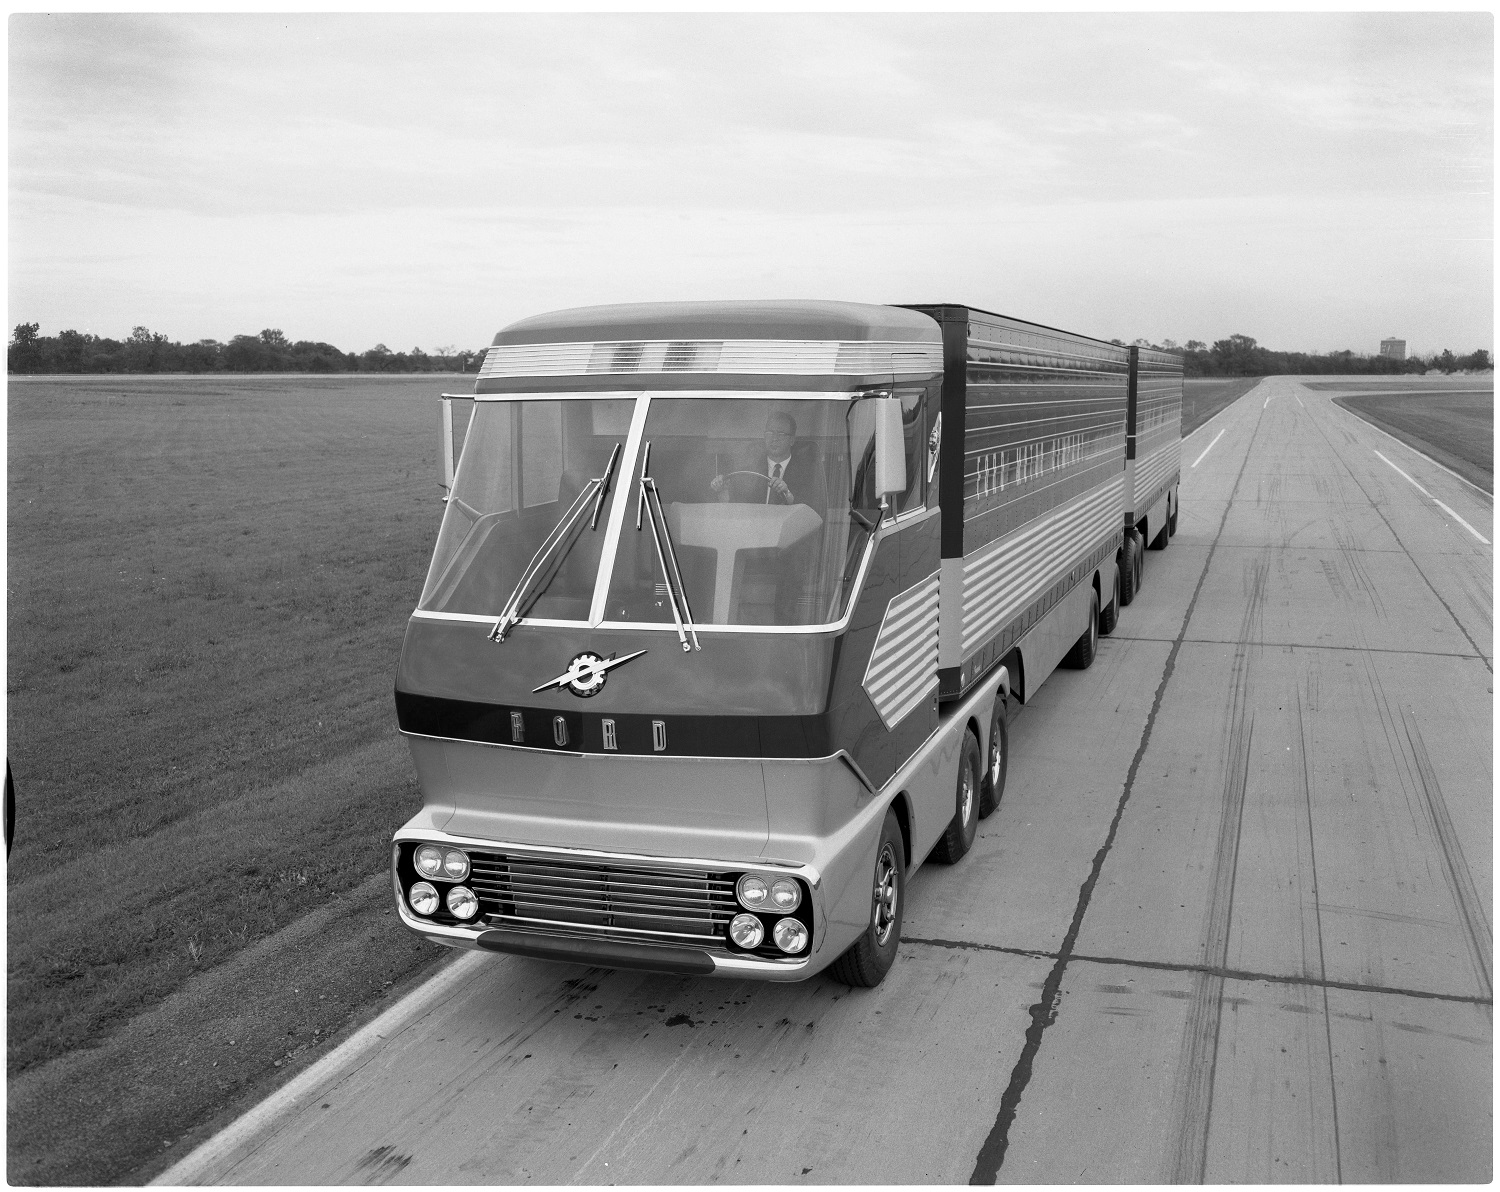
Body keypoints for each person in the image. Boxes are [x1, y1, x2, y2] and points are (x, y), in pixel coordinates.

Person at [710, 411, 825, 511]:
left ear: (791, 440)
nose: (774, 438)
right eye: (770, 433)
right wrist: (722, 492)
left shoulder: (806, 473)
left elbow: (812, 512)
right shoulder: (749, 471)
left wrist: (788, 495)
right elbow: (735, 511)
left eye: (781, 433)